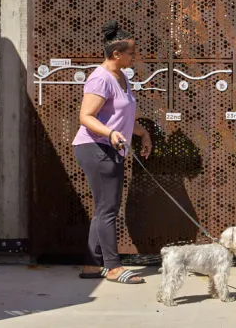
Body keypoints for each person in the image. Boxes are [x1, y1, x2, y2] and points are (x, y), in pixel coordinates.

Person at [72, 20, 152, 284]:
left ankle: (92, 266)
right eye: (131, 52)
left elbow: (121, 115)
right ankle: (114, 267)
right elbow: (86, 116)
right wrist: (109, 133)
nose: (134, 55)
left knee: (103, 209)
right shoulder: (100, 78)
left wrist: (142, 133)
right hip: (95, 146)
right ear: (116, 54)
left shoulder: (122, 77)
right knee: (108, 209)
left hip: (109, 146)